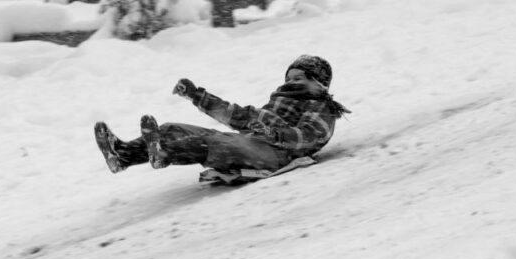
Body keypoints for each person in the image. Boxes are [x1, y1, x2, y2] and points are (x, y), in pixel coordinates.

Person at [94, 54, 350, 176]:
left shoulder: (322, 106)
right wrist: (196, 95)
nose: (292, 82)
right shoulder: (276, 103)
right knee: (173, 129)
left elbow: (309, 137)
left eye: (300, 78)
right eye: (290, 77)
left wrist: (274, 132)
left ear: (320, 83)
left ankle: (164, 153)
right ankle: (123, 155)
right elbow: (234, 114)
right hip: (253, 142)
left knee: (214, 143)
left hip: (276, 154)